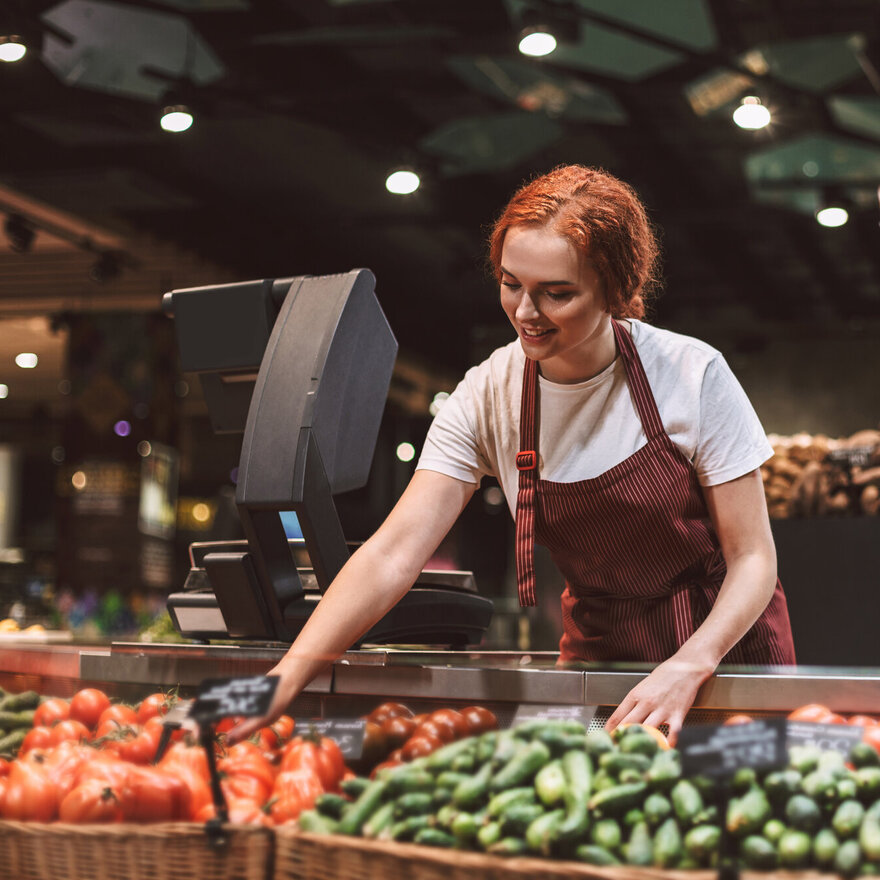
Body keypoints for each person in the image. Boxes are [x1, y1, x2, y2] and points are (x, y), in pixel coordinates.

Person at [229, 165, 795, 746]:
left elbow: (752, 558)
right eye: (511, 284)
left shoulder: (690, 374)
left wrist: (689, 664)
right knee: (605, 810)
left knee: (735, 815)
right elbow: (394, 553)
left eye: (557, 293)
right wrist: (288, 674)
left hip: (723, 656)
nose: (526, 312)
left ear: (615, 289)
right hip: (604, 660)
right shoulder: (488, 393)